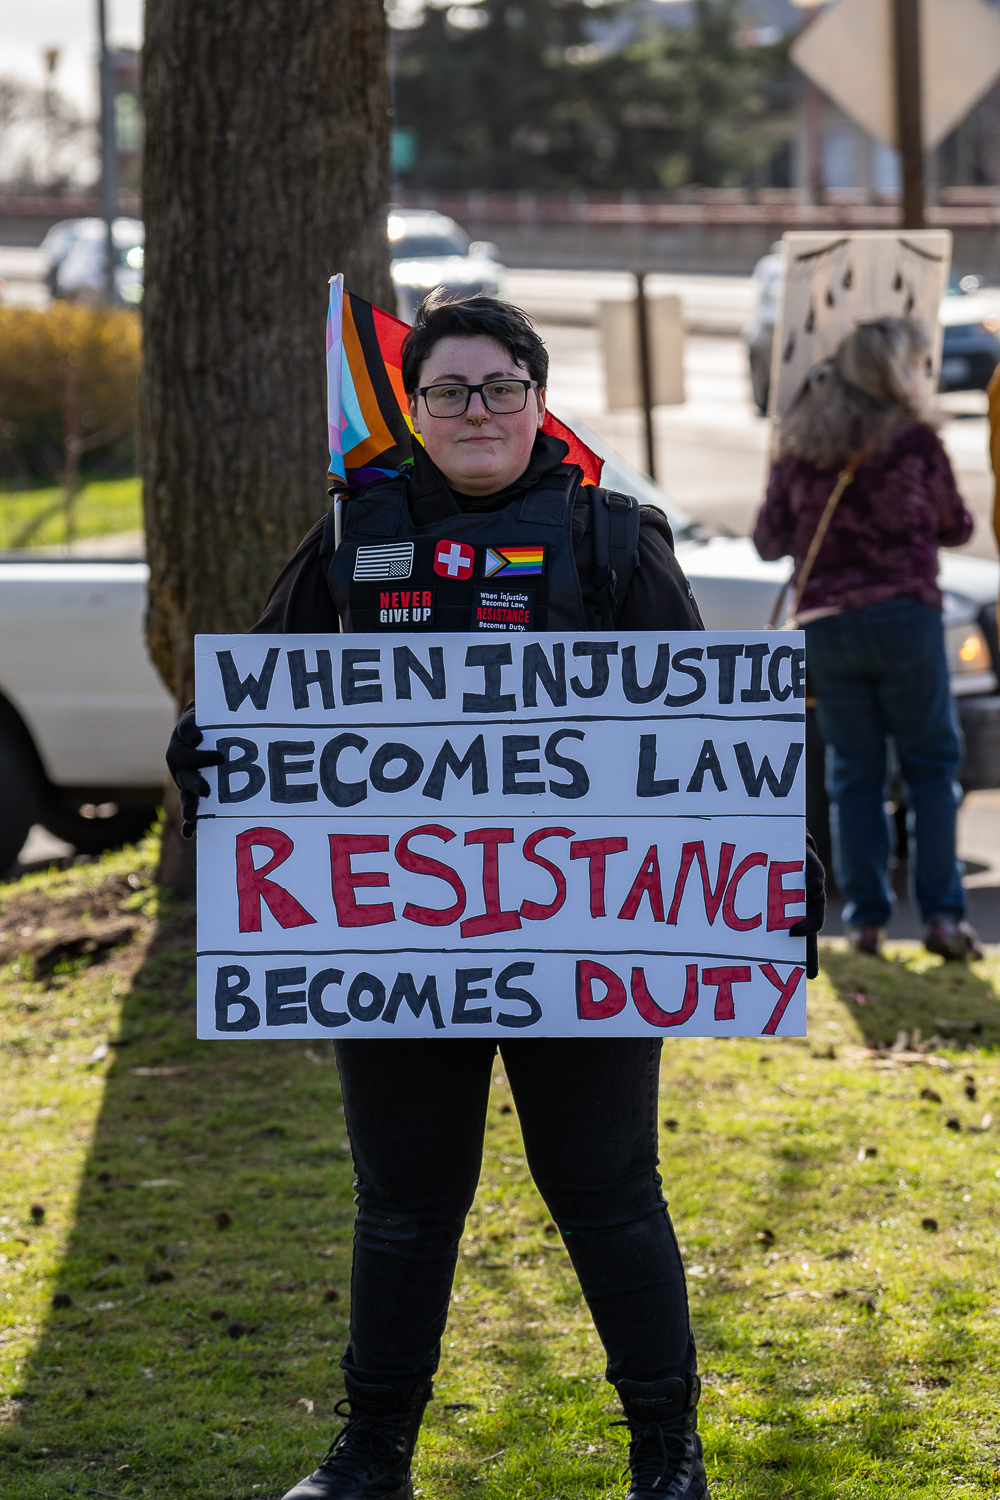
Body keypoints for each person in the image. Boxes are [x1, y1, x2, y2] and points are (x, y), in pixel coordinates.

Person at [169, 293, 825, 1500]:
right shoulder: (352, 534)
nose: (475, 412)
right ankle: (371, 1456)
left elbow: (720, 739)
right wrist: (209, 757)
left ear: (537, 399)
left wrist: (784, 868)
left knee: (607, 1192)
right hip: (396, 947)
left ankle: (664, 1454)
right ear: (412, 410)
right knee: (405, 1205)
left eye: (499, 388)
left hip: (588, 944)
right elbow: (248, 707)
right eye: (447, 393)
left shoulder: (613, 542)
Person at [754, 315, 980, 962]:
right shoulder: (913, 443)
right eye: (916, 364)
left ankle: (866, 921)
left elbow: (768, 539)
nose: (923, 374)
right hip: (905, 618)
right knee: (931, 769)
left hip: (827, 626)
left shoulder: (801, 443)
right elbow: (956, 524)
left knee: (853, 776)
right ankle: (940, 918)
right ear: (892, 372)